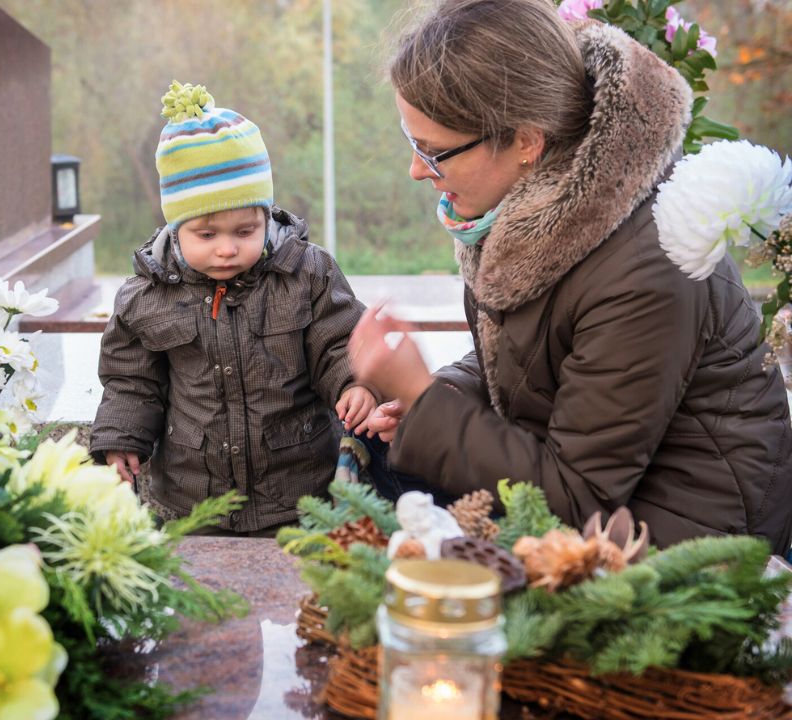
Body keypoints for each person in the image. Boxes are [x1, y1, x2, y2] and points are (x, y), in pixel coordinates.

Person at [347, 0, 792, 551]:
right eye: (412, 143)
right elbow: (530, 361)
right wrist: (435, 392)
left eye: (435, 152)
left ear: (527, 142)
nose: (417, 170)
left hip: (688, 546)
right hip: (600, 505)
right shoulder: (538, 209)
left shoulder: (643, 266)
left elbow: (577, 497)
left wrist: (422, 397)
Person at [90, 81, 376, 536]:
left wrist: (356, 384)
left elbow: (341, 342)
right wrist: (121, 439)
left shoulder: (306, 274)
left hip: (299, 491)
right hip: (192, 499)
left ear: (266, 216)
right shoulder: (147, 295)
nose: (227, 249)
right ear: (176, 226)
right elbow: (131, 383)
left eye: (245, 231)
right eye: (207, 235)